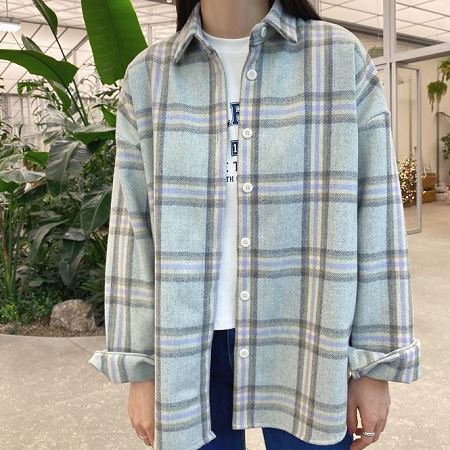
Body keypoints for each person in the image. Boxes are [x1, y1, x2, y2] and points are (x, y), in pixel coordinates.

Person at [88, 0, 422, 449]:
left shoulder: (338, 60)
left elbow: (377, 211)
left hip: (307, 340)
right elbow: (132, 229)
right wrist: (141, 369)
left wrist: (374, 366)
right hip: (187, 351)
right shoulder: (150, 77)